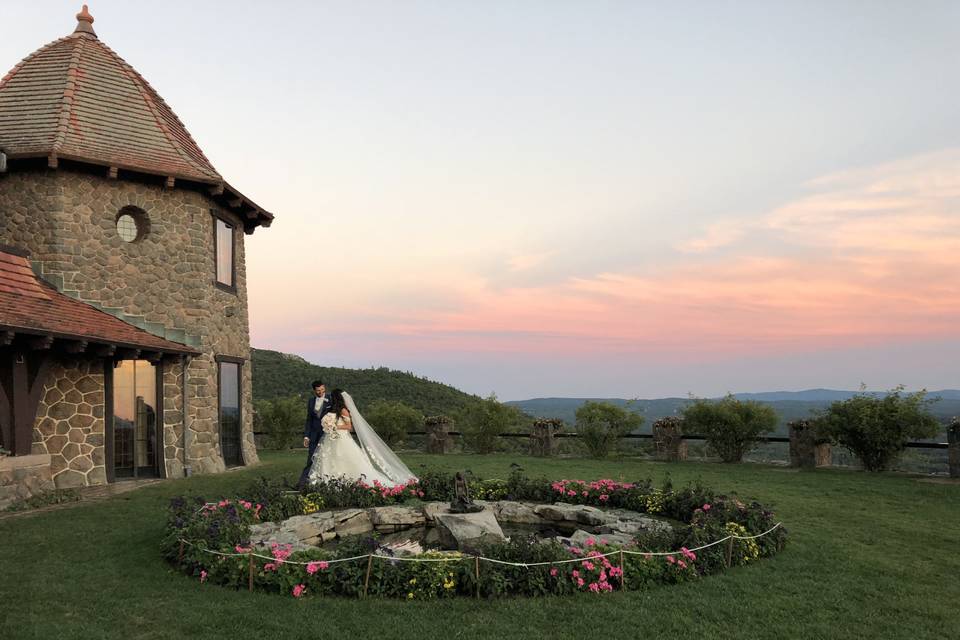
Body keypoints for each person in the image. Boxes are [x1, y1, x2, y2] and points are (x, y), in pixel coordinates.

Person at [306, 389, 417, 487]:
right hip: (331, 438)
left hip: (342, 439)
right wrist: (328, 426)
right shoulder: (333, 410)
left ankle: (345, 481)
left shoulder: (343, 410)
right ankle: (327, 482)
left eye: (331, 397)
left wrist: (335, 426)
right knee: (329, 459)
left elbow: (349, 427)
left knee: (344, 460)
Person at [297, 380, 334, 488]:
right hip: (313, 435)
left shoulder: (330, 399)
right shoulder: (311, 401)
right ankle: (302, 483)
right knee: (311, 458)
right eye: (318, 390)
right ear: (314, 391)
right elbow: (309, 420)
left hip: (326, 435)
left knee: (327, 458)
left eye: (323, 389)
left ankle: (326, 482)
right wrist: (306, 436)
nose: (321, 392)